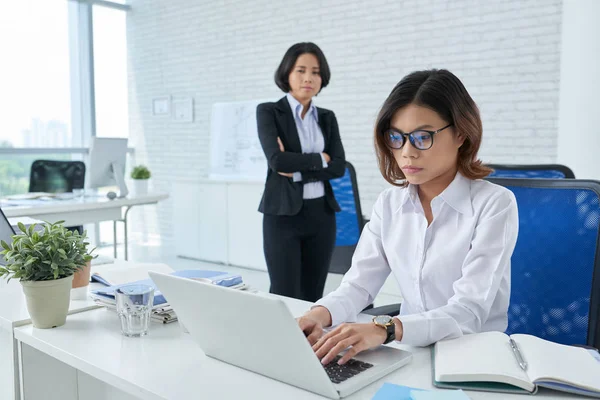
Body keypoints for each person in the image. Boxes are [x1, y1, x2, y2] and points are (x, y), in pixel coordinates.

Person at [297, 69, 519, 365]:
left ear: (461, 134)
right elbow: (359, 285)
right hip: (410, 351)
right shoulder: (389, 204)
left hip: (473, 357)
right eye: (396, 137)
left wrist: (388, 328)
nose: (407, 153)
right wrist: (318, 315)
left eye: (422, 137)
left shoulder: (494, 204)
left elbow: (469, 310)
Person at [256, 42, 346, 302]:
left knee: (313, 295)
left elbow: (339, 166)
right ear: (287, 74)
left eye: (316, 72)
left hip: (322, 216)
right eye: (301, 70)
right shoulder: (269, 112)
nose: (309, 78)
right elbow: (278, 162)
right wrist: (321, 158)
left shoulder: (327, 117)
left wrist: (298, 169)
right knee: (285, 294)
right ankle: (278, 343)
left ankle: (309, 344)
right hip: (283, 215)